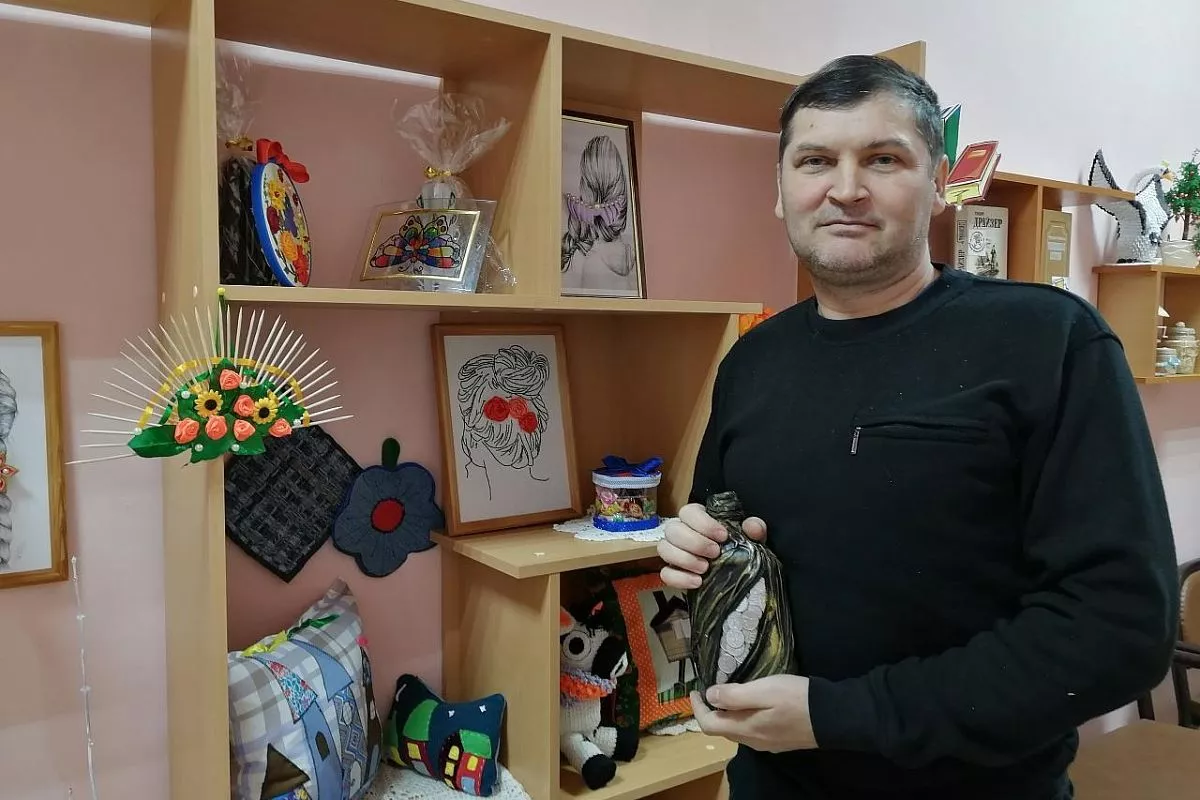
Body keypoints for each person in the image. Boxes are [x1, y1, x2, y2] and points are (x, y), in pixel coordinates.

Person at [658, 54, 1180, 800]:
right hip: (771, 783)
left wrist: (840, 716)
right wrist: (696, 548)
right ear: (780, 191)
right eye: (815, 161)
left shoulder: (1048, 342)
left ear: (938, 184)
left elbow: (1118, 629)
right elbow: (728, 532)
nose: (846, 188)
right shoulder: (753, 358)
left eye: (883, 159)